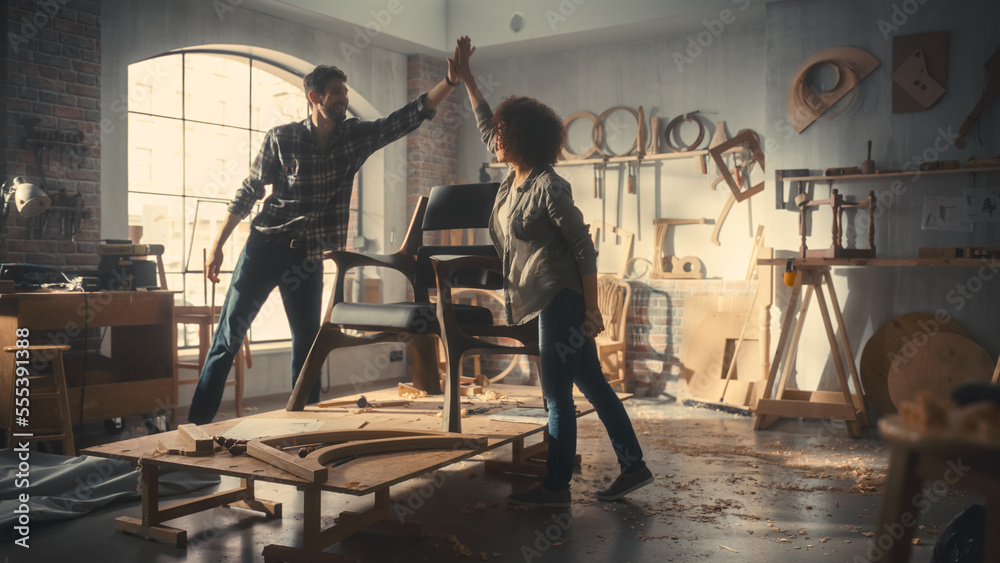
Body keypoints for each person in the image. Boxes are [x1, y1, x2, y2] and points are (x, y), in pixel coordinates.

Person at [187, 56, 463, 425]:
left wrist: (447, 81)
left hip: (306, 259)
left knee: (308, 344)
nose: (343, 99)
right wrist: (219, 244)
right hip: (263, 249)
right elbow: (249, 191)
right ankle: (195, 426)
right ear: (314, 97)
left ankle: (305, 423)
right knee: (228, 339)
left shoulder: (354, 137)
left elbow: (405, 119)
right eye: (336, 93)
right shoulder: (281, 138)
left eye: (345, 93)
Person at [452, 36, 652, 506]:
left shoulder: (547, 187)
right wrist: (467, 79)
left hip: (560, 300)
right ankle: (634, 465)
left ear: (520, 139)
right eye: (496, 133)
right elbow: (485, 122)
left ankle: (555, 487)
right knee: (594, 385)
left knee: (556, 395)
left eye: (502, 134)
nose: (493, 140)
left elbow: (585, 249)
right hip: (545, 299)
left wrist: (592, 310)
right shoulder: (512, 177)